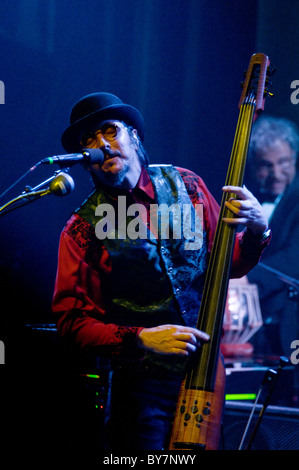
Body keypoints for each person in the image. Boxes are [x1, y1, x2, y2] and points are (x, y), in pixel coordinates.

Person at [52, 92, 270, 450]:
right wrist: (140, 337)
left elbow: (226, 267)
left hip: (204, 372)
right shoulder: (82, 228)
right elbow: (72, 323)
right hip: (139, 386)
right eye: (89, 141)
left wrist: (258, 230)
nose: (102, 145)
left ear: (134, 136)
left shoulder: (188, 186)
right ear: (84, 161)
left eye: (110, 131)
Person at [245, 115, 299, 359]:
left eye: (284, 162)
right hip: (251, 329)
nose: (276, 173)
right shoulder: (243, 197)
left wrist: (245, 280)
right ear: (253, 166)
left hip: (287, 328)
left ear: (295, 159)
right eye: (266, 165)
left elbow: (293, 257)